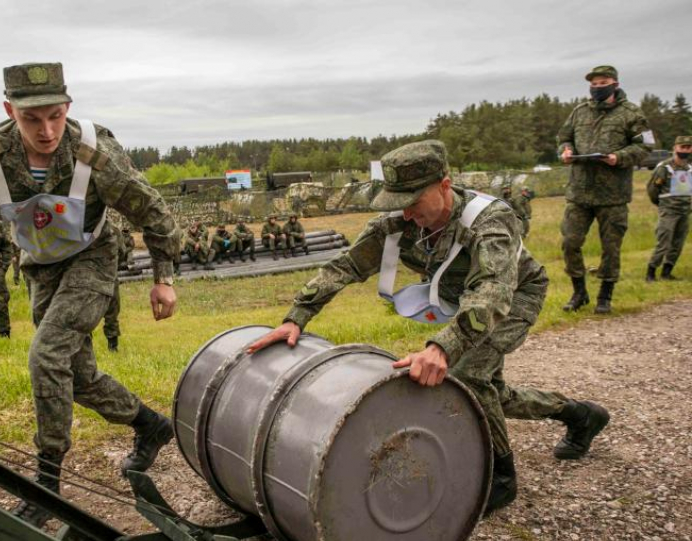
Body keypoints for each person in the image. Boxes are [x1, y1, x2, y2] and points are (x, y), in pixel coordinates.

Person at [248, 141, 610, 515]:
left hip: (513, 296)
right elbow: (345, 266)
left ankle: (500, 479)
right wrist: (296, 317)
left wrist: (442, 347)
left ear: (444, 185)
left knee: (466, 376)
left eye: (413, 201)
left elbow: (492, 292)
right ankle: (580, 416)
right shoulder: (397, 224)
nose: (406, 212)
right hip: (464, 303)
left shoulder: (489, 220)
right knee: (488, 393)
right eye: (397, 202)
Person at [0, 62, 179, 528]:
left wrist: (164, 277)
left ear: (68, 106)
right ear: (9, 111)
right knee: (76, 375)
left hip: (93, 258)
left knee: (46, 355)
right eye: (31, 119)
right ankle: (150, 425)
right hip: (40, 267)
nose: (47, 131)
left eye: (55, 116)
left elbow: (152, 211)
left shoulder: (94, 152)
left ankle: (47, 485)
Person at [558, 65, 652, 314]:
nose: (598, 87)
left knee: (611, 248)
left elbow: (646, 147)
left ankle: (605, 296)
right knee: (570, 242)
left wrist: (618, 157)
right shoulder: (579, 111)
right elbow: (564, 138)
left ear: (615, 84)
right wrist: (566, 151)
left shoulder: (632, 113)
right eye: (594, 84)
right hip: (579, 192)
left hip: (613, 195)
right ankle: (579, 292)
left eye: (603, 83)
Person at [645, 136, 692, 281]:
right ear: (675, 148)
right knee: (663, 242)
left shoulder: (689, 169)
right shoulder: (664, 168)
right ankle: (651, 272)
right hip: (669, 211)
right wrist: (662, 204)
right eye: (682, 147)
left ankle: (667, 272)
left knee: (678, 243)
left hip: (685, 211)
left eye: (688, 147)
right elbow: (652, 190)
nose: (685, 150)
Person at [103, 225, 140, 352]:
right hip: (109, 274)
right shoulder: (113, 229)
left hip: (86, 276)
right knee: (112, 313)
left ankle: (84, 347)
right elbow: (122, 250)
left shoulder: (79, 225)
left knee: (83, 313)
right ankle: (112, 346)